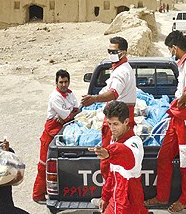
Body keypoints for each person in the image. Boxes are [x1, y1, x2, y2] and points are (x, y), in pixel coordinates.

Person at [145, 30, 186, 213]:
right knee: (163, 157)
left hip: (185, 118)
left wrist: (176, 103)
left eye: (170, 49)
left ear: (175, 48)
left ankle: (185, 199)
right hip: (177, 118)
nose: (171, 52)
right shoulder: (184, 63)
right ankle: (161, 196)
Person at [81, 36, 137, 181]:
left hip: (117, 116)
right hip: (122, 115)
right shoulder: (122, 69)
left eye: (114, 51)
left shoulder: (121, 72)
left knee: (109, 155)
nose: (111, 54)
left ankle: (107, 196)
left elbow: (113, 93)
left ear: (123, 53)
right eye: (109, 51)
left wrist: (93, 99)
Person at [88, 101, 148, 214]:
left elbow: (129, 159)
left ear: (126, 122)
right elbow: (112, 175)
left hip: (129, 203)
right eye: (109, 124)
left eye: (115, 124)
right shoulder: (114, 139)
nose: (112, 128)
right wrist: (105, 197)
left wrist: (109, 153)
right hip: (115, 200)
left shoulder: (135, 142)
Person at [33, 69, 80, 204]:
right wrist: (69, 115)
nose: (64, 85)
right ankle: (37, 195)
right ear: (56, 83)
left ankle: (49, 190)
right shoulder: (55, 97)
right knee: (44, 165)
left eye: (66, 82)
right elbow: (69, 115)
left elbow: (76, 110)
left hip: (62, 131)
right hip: (50, 134)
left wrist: (68, 116)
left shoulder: (70, 95)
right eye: (61, 82)